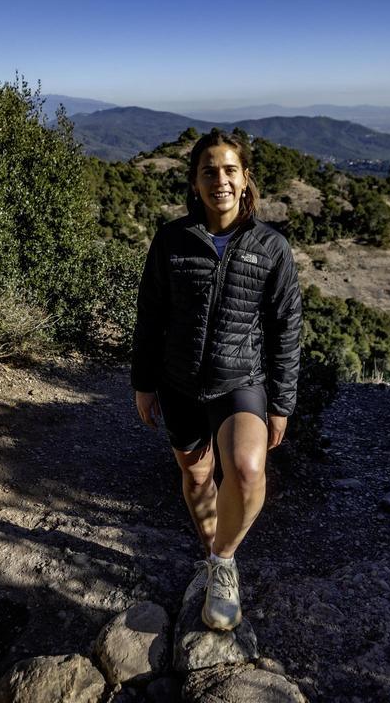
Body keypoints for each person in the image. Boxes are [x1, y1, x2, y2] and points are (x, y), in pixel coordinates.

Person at [132, 129, 302, 631]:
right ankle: (210, 556)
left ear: (246, 180)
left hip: (240, 380)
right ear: (195, 182)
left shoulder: (272, 247)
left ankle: (224, 561)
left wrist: (282, 403)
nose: (220, 180)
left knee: (247, 471)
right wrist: (143, 383)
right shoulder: (171, 241)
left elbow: (286, 329)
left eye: (230, 170)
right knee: (197, 476)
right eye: (209, 171)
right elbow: (150, 317)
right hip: (177, 382)